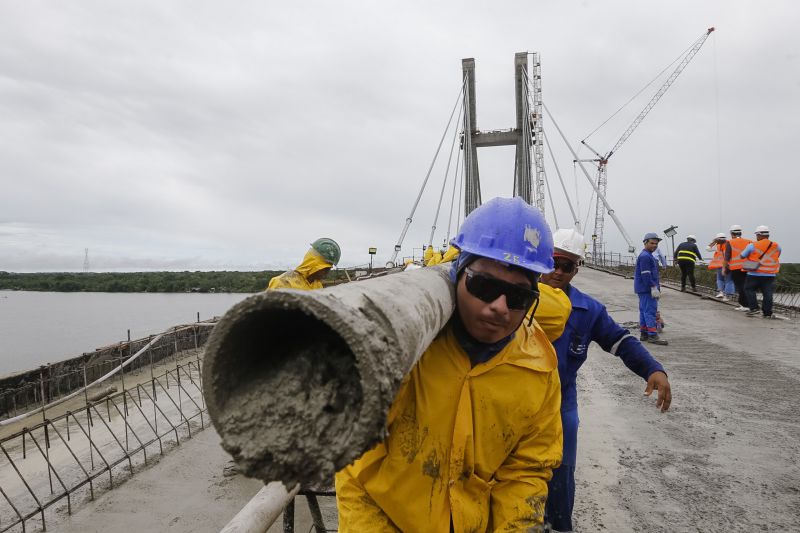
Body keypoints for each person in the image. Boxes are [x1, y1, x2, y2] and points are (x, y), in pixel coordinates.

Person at [336, 197, 563, 532]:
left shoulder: (538, 365)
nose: (500, 307)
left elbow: (526, 469)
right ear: (458, 275)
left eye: (518, 297)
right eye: (484, 286)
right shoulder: (407, 348)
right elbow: (354, 466)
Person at [541, 228, 671, 532]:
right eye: (553, 262)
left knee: (561, 473)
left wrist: (652, 368)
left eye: (567, 266)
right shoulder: (517, 297)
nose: (558, 272)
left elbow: (620, 341)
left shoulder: (588, 310)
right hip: (512, 402)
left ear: (577, 269)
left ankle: (559, 526)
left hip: (560, 404)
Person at [266, 237, 341, 290]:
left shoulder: (317, 285)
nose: (327, 273)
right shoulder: (283, 283)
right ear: (314, 264)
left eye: (329, 269)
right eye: (325, 269)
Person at [740, 226, 782, 319]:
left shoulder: (752, 245)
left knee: (749, 289)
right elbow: (778, 254)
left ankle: (754, 309)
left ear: (759, 234)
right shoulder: (776, 245)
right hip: (770, 274)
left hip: (754, 273)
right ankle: (767, 313)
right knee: (768, 293)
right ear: (768, 235)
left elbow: (742, 256)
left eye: (756, 235)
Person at [635, 233, 668, 345]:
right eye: (652, 243)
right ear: (645, 243)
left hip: (643, 289)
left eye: (656, 244)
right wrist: (653, 287)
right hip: (647, 289)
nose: (654, 245)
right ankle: (653, 336)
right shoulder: (646, 256)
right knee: (650, 311)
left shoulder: (646, 255)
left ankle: (644, 333)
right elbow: (646, 274)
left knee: (644, 311)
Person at [724, 224, 752, 311]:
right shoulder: (749, 241)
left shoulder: (730, 242)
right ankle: (749, 304)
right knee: (747, 286)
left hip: (736, 267)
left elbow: (727, 257)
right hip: (748, 266)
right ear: (740, 233)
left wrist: (725, 268)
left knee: (740, 286)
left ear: (732, 233)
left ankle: (744, 305)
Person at [707, 233, 735, 300]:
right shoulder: (730, 243)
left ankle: (721, 292)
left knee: (720, 279)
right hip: (729, 265)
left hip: (719, 265)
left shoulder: (717, 246)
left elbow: (707, 249)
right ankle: (727, 295)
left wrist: (714, 242)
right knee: (729, 280)